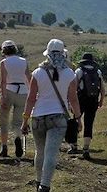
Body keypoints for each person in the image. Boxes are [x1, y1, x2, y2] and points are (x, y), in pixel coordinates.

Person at [22, 39, 81, 192]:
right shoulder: (70, 74)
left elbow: (31, 98)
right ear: (63, 54)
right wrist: (78, 117)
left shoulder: (38, 72)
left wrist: (25, 120)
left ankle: (38, 181)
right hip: (58, 118)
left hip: (38, 117)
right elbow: (73, 99)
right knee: (51, 153)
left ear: (47, 54)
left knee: (39, 152)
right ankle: (45, 185)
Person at [0, 40, 31, 158]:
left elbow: (3, 80)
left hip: (9, 89)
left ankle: (4, 147)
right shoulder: (24, 61)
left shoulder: (4, 62)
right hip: (23, 91)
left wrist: (3, 95)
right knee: (18, 121)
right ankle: (17, 138)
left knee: (4, 120)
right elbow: (28, 77)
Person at [69, 52, 105, 159]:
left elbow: (73, 88)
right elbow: (102, 89)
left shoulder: (79, 71)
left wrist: (72, 102)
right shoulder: (98, 72)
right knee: (89, 123)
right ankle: (86, 148)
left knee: (76, 120)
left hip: (80, 100)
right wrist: (101, 100)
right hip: (93, 100)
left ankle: (74, 146)